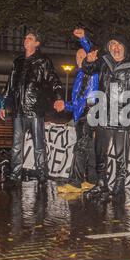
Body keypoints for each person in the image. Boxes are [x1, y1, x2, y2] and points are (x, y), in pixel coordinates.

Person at [75, 29, 130, 199]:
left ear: (124, 48)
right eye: (111, 45)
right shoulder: (104, 62)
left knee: (121, 154)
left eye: (118, 44)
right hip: (103, 115)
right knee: (100, 152)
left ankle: (119, 187)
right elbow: (89, 69)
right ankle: (101, 184)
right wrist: (88, 62)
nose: (115, 47)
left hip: (123, 116)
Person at [0, 30, 65, 184]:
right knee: (16, 145)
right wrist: (3, 104)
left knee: (39, 144)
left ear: (37, 43)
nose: (26, 40)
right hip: (18, 110)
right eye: (25, 38)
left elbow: (54, 80)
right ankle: (15, 175)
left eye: (30, 38)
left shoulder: (43, 61)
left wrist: (59, 98)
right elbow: (9, 85)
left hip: (35, 109)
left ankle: (42, 174)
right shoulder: (18, 61)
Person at [59, 47, 99, 193]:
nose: (79, 59)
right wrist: (66, 106)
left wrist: (84, 39)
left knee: (80, 148)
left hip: (87, 115)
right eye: (77, 56)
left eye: (82, 56)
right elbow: (77, 101)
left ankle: (75, 182)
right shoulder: (80, 75)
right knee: (88, 148)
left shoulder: (90, 73)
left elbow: (83, 100)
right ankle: (92, 180)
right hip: (82, 115)